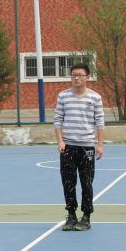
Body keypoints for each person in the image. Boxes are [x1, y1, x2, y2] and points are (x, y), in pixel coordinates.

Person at [53, 63, 105, 231]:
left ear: (87, 77)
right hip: (68, 147)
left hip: (87, 147)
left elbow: (100, 122)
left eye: (80, 75)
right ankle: (71, 215)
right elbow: (58, 120)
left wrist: (99, 145)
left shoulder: (95, 98)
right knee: (68, 182)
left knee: (86, 183)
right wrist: (60, 141)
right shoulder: (63, 96)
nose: (76, 78)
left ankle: (86, 217)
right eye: (73, 75)